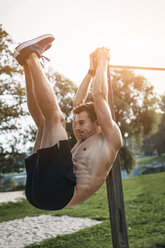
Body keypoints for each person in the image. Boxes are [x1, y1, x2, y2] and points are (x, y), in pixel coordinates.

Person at [13, 34, 122, 211]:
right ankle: (27, 63)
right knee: (43, 123)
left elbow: (99, 96)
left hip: (59, 194)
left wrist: (103, 61)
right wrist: (90, 72)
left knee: (56, 118)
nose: (77, 128)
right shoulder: (83, 140)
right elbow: (77, 103)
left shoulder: (109, 139)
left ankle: (31, 55)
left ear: (98, 123)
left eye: (82, 123)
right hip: (38, 191)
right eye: (77, 123)